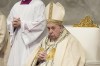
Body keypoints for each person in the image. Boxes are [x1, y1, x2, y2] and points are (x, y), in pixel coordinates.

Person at [25, 1, 86, 66]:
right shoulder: (45, 40)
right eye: (48, 28)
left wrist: (48, 59)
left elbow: (71, 63)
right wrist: (38, 60)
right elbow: (32, 60)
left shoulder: (71, 42)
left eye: (53, 28)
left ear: (60, 27)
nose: (50, 31)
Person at [7, 0, 46, 66]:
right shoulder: (16, 5)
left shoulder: (38, 4)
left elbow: (41, 24)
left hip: (31, 44)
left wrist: (22, 24)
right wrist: (12, 25)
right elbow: (9, 22)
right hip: (17, 43)